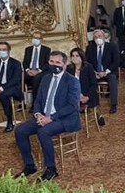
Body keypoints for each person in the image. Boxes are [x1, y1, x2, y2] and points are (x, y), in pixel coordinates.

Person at [14, 51, 80, 181]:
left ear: (64, 64)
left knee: (43, 131)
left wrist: (51, 118)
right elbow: (38, 99)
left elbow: (72, 106)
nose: (54, 65)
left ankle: (51, 168)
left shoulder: (72, 81)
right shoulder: (45, 78)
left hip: (64, 118)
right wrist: (38, 114)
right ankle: (29, 165)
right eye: (51, 62)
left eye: (58, 62)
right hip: (44, 115)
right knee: (20, 130)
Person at [85, 29, 120, 113]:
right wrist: (94, 72)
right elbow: (86, 62)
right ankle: (91, 103)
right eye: (95, 37)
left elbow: (117, 61)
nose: (98, 38)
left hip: (108, 72)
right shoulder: (90, 48)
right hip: (95, 72)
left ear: (104, 37)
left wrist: (106, 72)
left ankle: (113, 105)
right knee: (86, 79)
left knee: (112, 79)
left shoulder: (112, 46)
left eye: (99, 36)